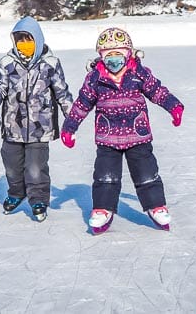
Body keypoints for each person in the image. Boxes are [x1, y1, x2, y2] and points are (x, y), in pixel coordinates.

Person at [61, 27, 184, 234]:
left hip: (138, 135)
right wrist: (69, 127)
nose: (113, 60)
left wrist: (174, 106)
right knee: (105, 176)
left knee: (147, 174)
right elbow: (82, 104)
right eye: (108, 56)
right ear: (100, 57)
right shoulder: (95, 78)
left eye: (118, 55)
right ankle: (102, 209)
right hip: (107, 138)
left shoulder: (139, 73)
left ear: (128, 54)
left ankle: (156, 206)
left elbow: (157, 91)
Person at [0, 16, 74, 222]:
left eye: (28, 39)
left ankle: (38, 199)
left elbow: (61, 92)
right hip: (12, 126)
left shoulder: (50, 64)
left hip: (40, 127)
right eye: (19, 40)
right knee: (12, 164)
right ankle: (16, 192)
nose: (24, 44)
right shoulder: (7, 63)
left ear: (37, 40)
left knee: (35, 167)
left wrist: (72, 117)